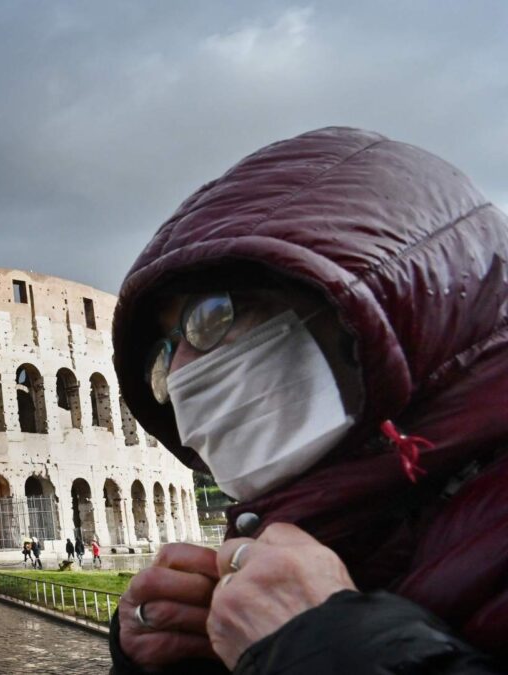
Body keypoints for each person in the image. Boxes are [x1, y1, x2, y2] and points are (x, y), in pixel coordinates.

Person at [107, 127, 507, 673]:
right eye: (164, 350)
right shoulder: (327, 528)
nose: (176, 378)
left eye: (211, 316)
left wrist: (323, 646)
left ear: (362, 308)